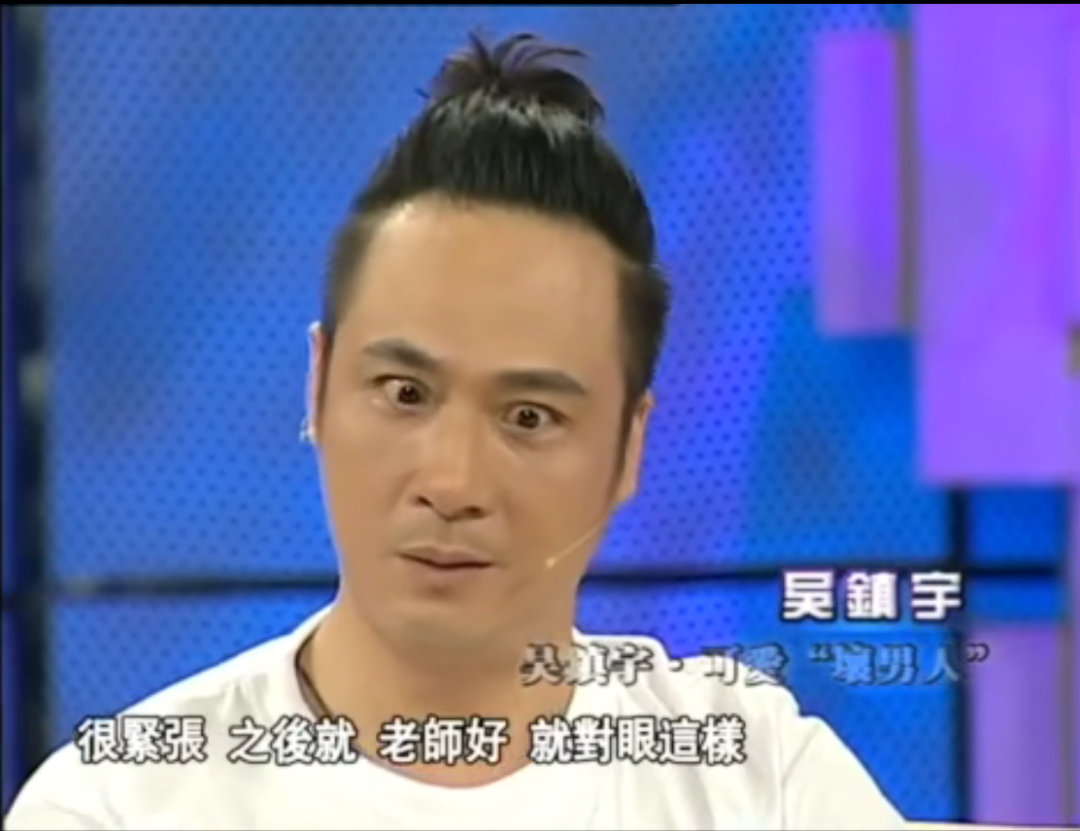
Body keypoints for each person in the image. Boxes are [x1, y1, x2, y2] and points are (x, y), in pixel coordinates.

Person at [6, 31, 906, 831]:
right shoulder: (120, 804)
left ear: (629, 448)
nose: (451, 481)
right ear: (318, 385)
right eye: (404, 393)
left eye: (529, 417)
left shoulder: (755, 780)